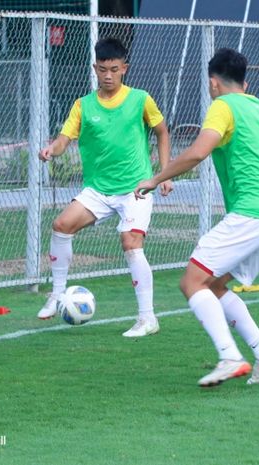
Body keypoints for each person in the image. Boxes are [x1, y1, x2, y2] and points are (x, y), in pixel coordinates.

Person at [135, 48, 259, 386]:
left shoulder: (222, 106)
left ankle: (229, 356)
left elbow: (198, 151)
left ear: (213, 83)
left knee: (191, 282)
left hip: (252, 212)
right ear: (245, 81)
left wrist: (156, 178)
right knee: (214, 284)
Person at [37, 37, 173, 337]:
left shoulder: (140, 99)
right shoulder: (83, 105)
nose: (108, 75)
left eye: (114, 69)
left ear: (124, 68)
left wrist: (164, 174)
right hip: (98, 190)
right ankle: (58, 294)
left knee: (131, 243)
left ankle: (147, 318)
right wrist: (51, 150)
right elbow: (64, 139)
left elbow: (162, 132)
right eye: (102, 69)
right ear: (94, 68)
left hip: (136, 188)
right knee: (61, 225)